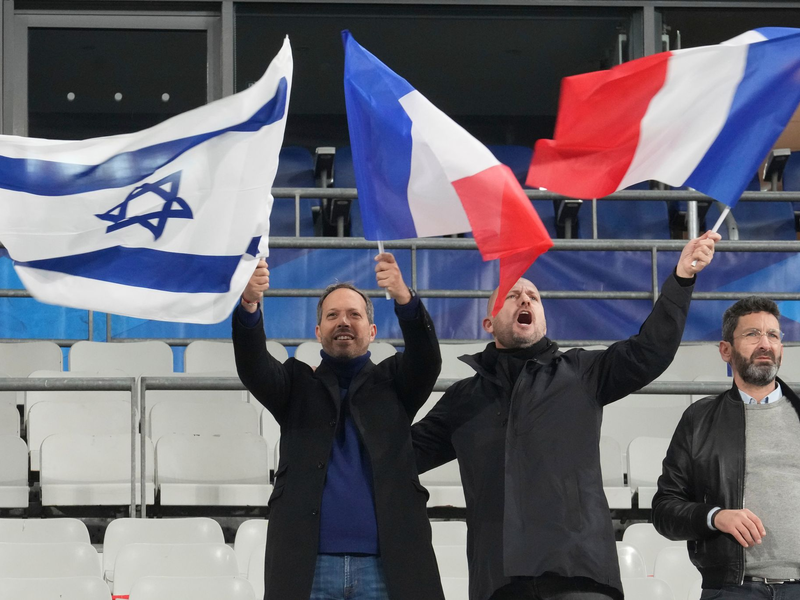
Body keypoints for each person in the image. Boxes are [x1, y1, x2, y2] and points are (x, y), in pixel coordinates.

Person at [411, 232, 721, 600]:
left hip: (580, 575)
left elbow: (650, 351)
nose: (525, 298)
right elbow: (401, 455)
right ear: (488, 324)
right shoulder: (463, 398)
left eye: (534, 297)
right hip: (499, 582)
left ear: (543, 319)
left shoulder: (582, 371)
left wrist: (682, 278)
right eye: (512, 295)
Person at [232, 252, 444, 600]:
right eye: (332, 315)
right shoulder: (295, 385)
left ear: (372, 331)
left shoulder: (396, 383)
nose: (343, 321)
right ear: (318, 331)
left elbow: (427, 360)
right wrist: (249, 305)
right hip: (308, 567)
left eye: (354, 315)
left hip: (389, 566)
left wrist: (405, 300)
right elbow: (254, 367)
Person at [653, 296, 800, 599]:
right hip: (733, 589)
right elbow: (664, 510)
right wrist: (715, 516)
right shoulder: (699, 419)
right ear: (725, 350)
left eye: (773, 335)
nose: (765, 343)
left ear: (782, 349)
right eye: (752, 334)